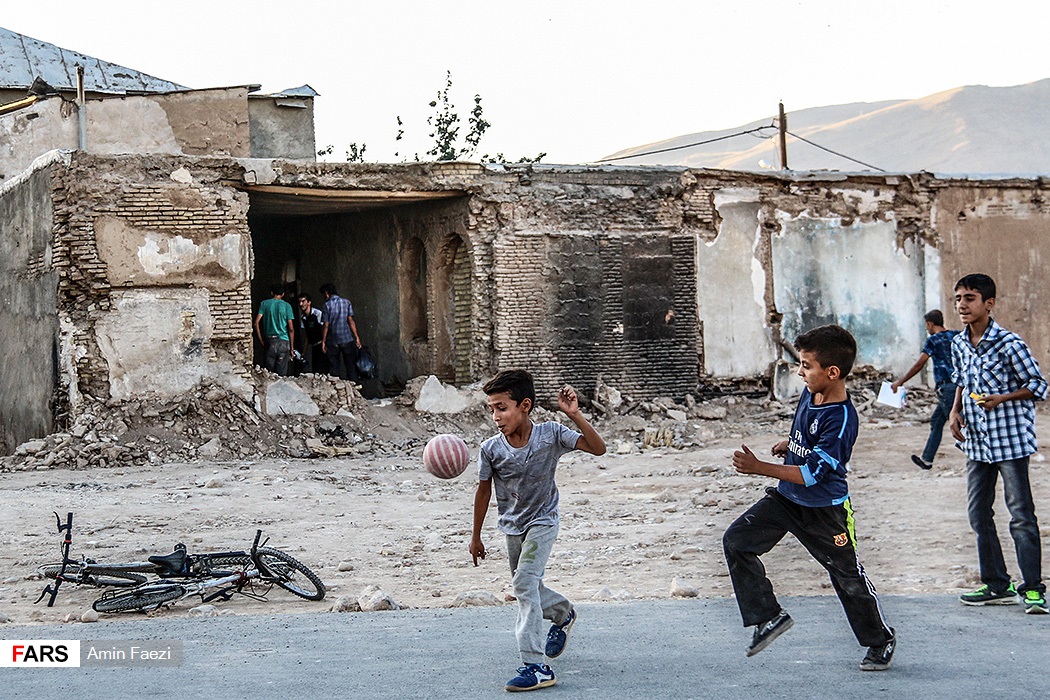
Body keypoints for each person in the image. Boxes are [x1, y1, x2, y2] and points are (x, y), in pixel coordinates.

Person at [723, 324, 895, 671]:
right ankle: (768, 617)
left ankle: (880, 640)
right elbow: (806, 438)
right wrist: (791, 444)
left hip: (825, 511)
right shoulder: (811, 392)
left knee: (847, 577)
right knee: (737, 541)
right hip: (787, 500)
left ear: (832, 373)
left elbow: (812, 474)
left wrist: (759, 467)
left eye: (806, 365)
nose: (800, 372)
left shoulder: (841, 419)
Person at [469, 369, 605, 692]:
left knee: (523, 584)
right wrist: (475, 536)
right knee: (529, 586)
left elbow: (598, 448)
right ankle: (563, 614)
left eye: (502, 408)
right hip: (512, 527)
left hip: (543, 521)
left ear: (525, 406)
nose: (495, 416)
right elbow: (483, 492)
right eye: (491, 409)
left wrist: (574, 415)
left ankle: (535, 666)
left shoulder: (551, 435)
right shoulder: (490, 449)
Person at [948, 273, 1048, 614]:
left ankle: (1033, 589)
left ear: (988, 304)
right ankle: (996, 584)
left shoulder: (1009, 343)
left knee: (1021, 515)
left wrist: (1002, 398)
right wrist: (955, 411)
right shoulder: (959, 343)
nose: (962, 305)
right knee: (978, 513)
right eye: (958, 298)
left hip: (1010, 441)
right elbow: (961, 380)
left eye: (970, 298)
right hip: (977, 442)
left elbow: (1038, 386)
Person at [891, 310, 960, 469]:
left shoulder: (933, 341)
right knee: (937, 421)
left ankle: (981, 456)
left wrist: (900, 382)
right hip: (959, 386)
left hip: (946, 388)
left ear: (930, 324)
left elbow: (919, 364)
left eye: (926, 325)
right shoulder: (956, 336)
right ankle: (927, 458)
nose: (926, 328)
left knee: (959, 423)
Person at [319, 283, 362, 382]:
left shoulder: (327, 305)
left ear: (326, 293)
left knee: (334, 368)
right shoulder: (346, 302)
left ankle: (336, 388)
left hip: (333, 341)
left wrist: (323, 341)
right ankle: (354, 386)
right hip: (347, 339)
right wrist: (356, 337)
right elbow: (350, 321)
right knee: (350, 366)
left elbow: (326, 325)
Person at [253, 284, 295, 376]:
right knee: (281, 375)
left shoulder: (264, 304)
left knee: (269, 375)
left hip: (270, 341)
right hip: (284, 342)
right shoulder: (287, 306)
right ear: (283, 294)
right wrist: (292, 348)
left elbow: (256, 323)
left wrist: (261, 340)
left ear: (272, 293)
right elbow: (291, 328)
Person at [297, 294, 328, 374]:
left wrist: (324, 343)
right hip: (314, 346)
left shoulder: (317, 314)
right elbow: (307, 335)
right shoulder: (303, 317)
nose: (301, 304)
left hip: (322, 345)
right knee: (315, 369)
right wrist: (304, 352)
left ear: (309, 302)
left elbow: (325, 328)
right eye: (299, 302)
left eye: (303, 301)